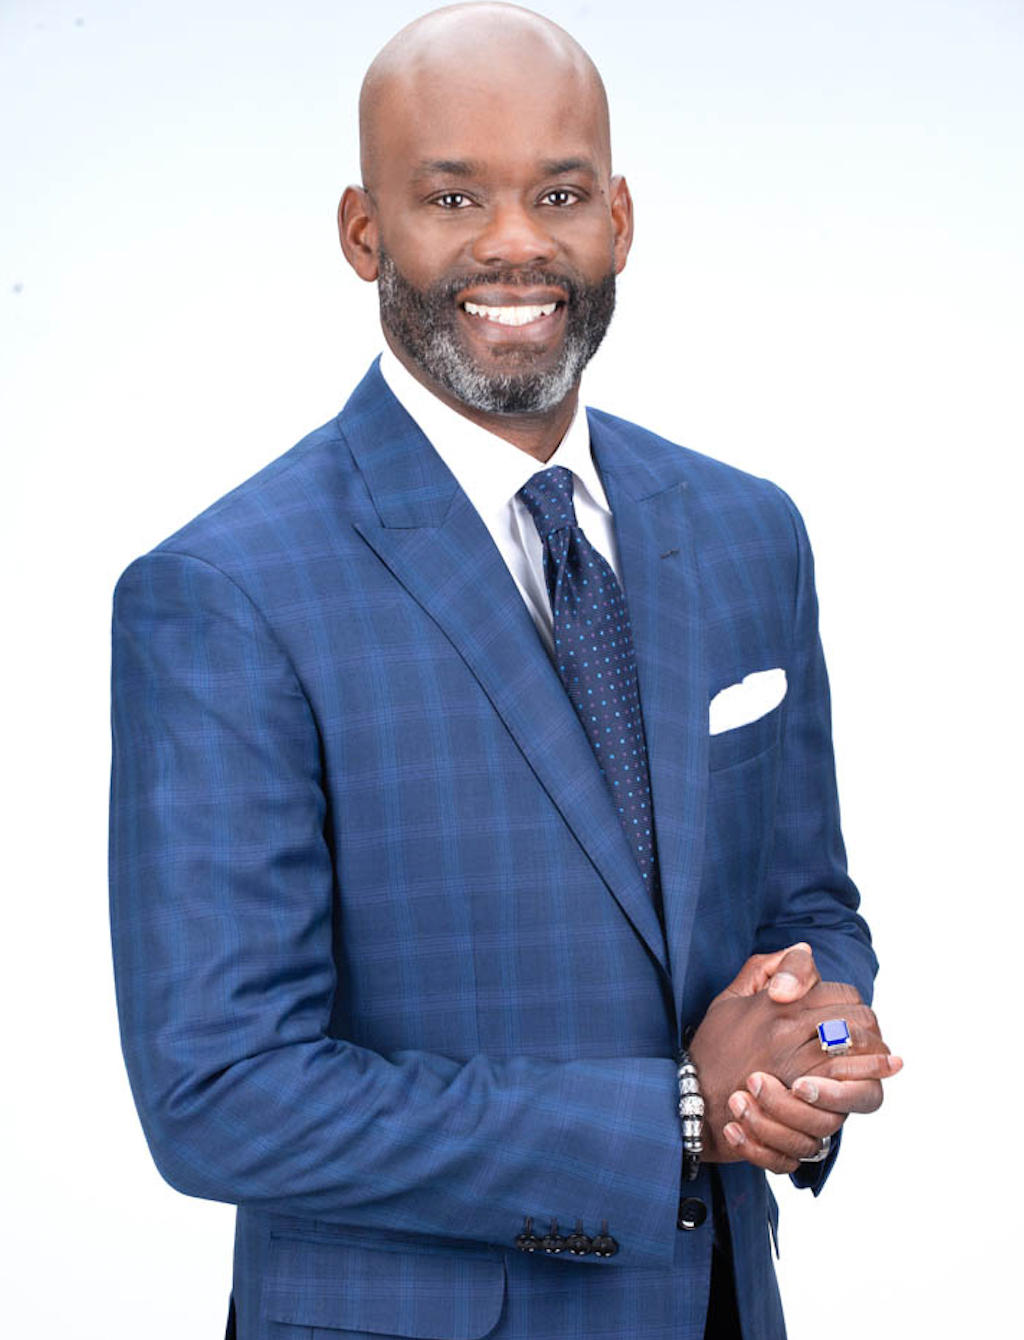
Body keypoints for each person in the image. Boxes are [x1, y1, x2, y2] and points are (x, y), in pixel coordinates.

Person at [108, 5, 901, 1338]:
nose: (516, 242)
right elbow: (222, 1095)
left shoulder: (744, 531)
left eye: (560, 192)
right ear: (366, 232)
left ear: (622, 220)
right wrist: (679, 1119)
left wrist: (812, 1055)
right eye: (453, 195)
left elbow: (809, 912)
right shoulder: (225, 593)